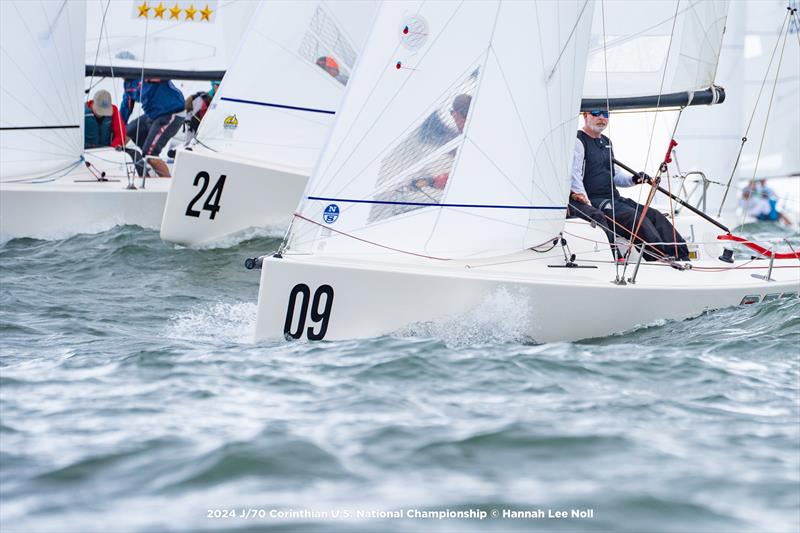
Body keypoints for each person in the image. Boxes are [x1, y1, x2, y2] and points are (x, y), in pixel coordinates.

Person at [572, 109, 690, 261]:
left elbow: (616, 176)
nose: (601, 118)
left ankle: (682, 255)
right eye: (596, 113)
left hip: (614, 198)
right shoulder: (578, 140)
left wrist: (634, 179)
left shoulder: (607, 142)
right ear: (585, 115)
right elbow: (574, 176)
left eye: (605, 114)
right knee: (633, 217)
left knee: (654, 214)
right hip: (595, 201)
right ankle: (660, 257)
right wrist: (587, 204)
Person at [120, 78, 186, 177]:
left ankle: (167, 185)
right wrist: (118, 127)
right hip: (153, 115)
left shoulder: (152, 74)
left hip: (172, 113)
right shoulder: (128, 85)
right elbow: (126, 107)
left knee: (150, 154)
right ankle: (141, 172)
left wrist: (154, 77)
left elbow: (165, 76)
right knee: (125, 133)